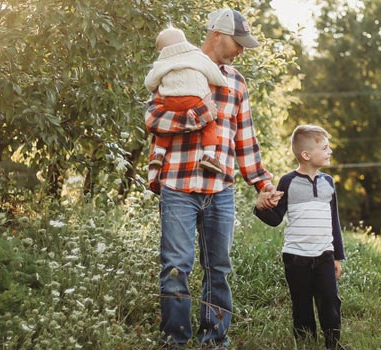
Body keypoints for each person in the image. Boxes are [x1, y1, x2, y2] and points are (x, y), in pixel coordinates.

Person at [143, 7, 283, 349]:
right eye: (238, 43)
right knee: (176, 266)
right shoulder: (178, 67)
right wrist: (197, 118)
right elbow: (152, 119)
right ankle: (174, 340)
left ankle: (213, 340)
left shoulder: (235, 81)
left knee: (218, 267)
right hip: (178, 186)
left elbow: (244, 138)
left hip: (220, 190)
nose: (241, 50)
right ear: (216, 35)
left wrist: (263, 183)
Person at [254, 125, 345, 349]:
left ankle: (332, 343)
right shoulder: (288, 181)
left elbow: (335, 221)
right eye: (324, 148)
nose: (330, 151)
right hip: (296, 257)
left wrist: (337, 257)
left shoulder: (328, 182)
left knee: (330, 302)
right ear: (306, 155)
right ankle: (306, 344)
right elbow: (276, 218)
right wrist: (259, 206)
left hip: (324, 254)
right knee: (301, 305)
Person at [143, 27, 228, 175]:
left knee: (165, 131)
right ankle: (209, 155)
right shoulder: (197, 56)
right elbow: (215, 75)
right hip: (193, 99)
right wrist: (223, 81)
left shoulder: (162, 62)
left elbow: (150, 83)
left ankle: (159, 153)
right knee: (209, 125)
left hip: (170, 100)